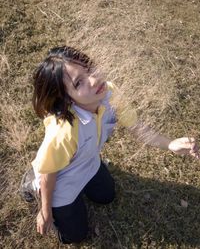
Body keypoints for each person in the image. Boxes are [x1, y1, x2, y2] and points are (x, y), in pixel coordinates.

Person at [21, 46, 199, 244]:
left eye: (90, 68)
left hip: (89, 164)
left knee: (107, 196)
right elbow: (49, 175)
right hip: (62, 181)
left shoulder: (109, 93)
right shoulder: (63, 131)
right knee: (75, 236)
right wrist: (45, 211)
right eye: (79, 83)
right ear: (66, 99)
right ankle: (30, 183)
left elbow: (138, 128)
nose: (95, 79)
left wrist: (171, 144)